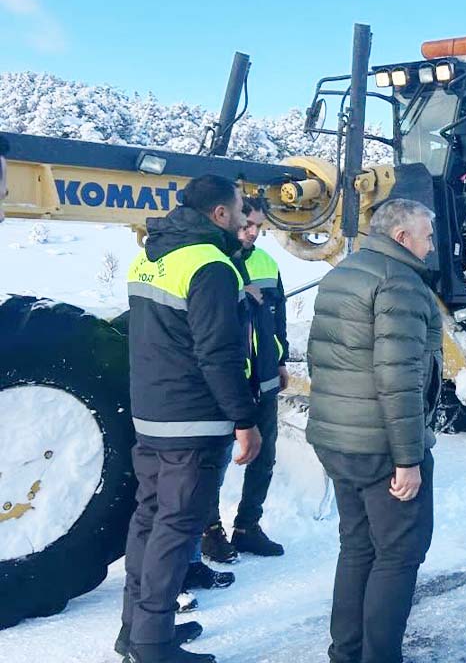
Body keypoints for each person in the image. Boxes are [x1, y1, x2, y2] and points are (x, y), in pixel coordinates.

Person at [121, 174, 262, 663]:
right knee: (175, 529)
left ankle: (133, 631)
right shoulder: (211, 265)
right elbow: (218, 354)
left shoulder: (151, 255)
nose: (247, 217)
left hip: (152, 415)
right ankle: (152, 644)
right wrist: (244, 420)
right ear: (219, 214)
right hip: (193, 420)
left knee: (147, 520)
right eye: (241, 208)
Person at [306, 198, 442, 663]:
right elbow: (399, 377)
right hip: (383, 445)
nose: (431, 245)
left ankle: (346, 654)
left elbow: (321, 357)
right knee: (399, 555)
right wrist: (407, 459)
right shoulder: (400, 283)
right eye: (427, 235)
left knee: (358, 547)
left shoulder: (343, 273)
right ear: (401, 237)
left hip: (338, 438)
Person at [200, 197, 290, 563]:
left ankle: (248, 526)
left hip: (265, 378)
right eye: (247, 224)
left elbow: (277, 315)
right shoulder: (217, 263)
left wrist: (281, 359)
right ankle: (210, 532)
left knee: (264, 457)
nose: (253, 232)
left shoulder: (267, 263)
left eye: (259, 226)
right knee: (216, 459)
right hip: (226, 381)